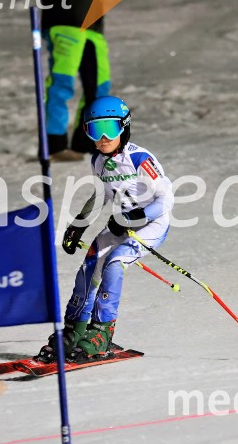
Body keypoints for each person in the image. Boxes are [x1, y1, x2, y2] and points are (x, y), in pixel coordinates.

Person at [37, 96, 174, 361]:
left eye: (110, 129)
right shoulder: (98, 161)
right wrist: (78, 225)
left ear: (124, 127)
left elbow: (166, 200)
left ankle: (101, 333)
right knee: (90, 265)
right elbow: (102, 194)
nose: (102, 138)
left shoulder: (140, 159)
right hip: (122, 223)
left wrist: (137, 215)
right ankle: (75, 330)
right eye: (93, 130)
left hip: (152, 225)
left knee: (115, 262)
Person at [31, 0, 112, 162]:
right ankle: (54, 144)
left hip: (92, 28)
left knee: (98, 86)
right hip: (65, 23)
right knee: (62, 83)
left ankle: (85, 142)